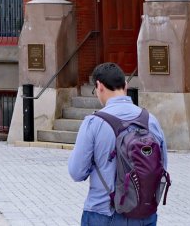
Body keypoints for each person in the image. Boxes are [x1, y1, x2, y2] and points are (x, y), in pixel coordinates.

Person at [68, 62, 168, 226]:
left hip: (103, 213)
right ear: (126, 85)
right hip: (144, 213)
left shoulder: (94, 123)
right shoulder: (151, 120)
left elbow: (76, 172)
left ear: (99, 86)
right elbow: (162, 165)